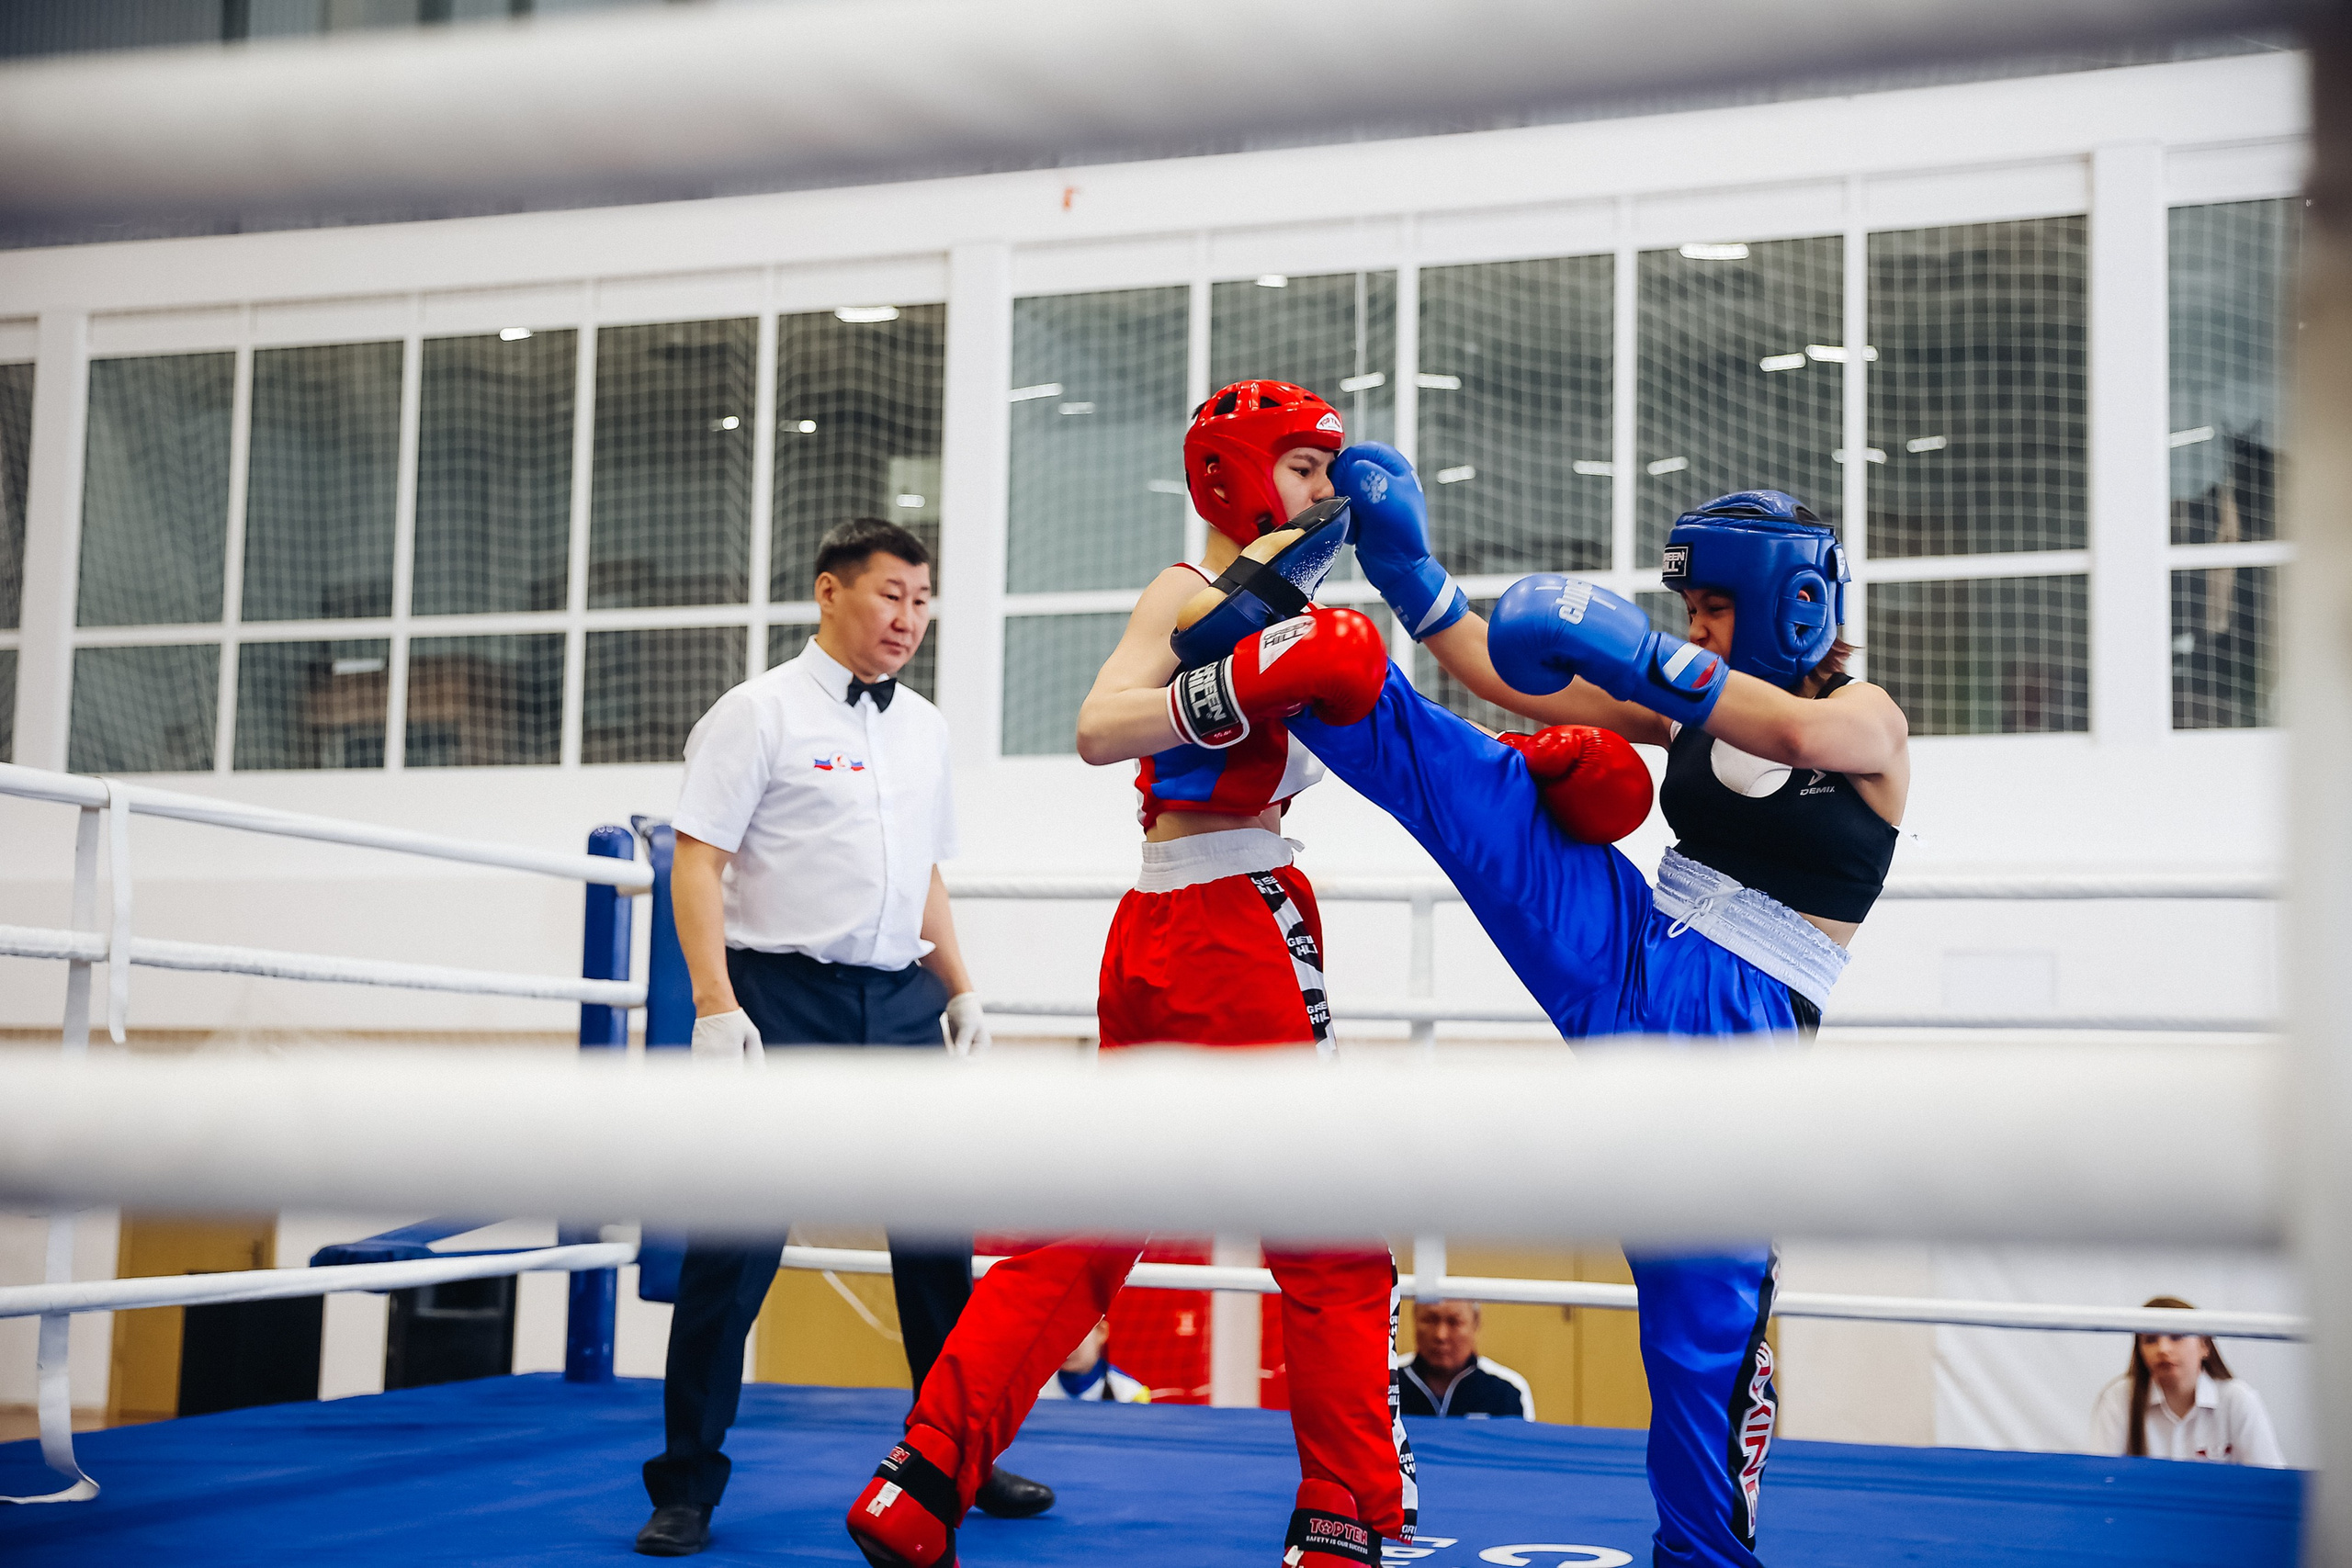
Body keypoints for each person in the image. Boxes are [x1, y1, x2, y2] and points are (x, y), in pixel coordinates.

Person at [1285, 447, 1909, 1568]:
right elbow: (1508, 671)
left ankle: (1704, 1559)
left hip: (1739, 1020)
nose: (1699, 625)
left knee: (1696, 1333)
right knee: (1483, 792)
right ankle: (1293, 661)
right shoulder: (1692, 705)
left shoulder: (1867, 721)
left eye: (1715, 606)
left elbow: (1801, 737)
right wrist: (1414, 578)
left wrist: (1645, 649)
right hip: (1634, 936)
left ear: (1793, 607)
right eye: (1689, 609)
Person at [844, 382, 1412, 1568]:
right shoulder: (1195, 594)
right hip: (1233, 927)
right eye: (1305, 468)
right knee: (1331, 1234)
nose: (1327, 492)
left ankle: (922, 1475)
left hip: (1152, 934)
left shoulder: (1294, 613)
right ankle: (1347, 1517)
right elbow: (1101, 726)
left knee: (1086, 1221)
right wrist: (1237, 682)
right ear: (1238, 474)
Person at [636, 518, 1052, 1557]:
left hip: (900, 999)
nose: (908, 619)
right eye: (889, 597)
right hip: (783, 998)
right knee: (732, 1252)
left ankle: (959, 1456)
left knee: (936, 1246)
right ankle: (685, 1486)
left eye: (922, 601)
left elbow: (923, 874)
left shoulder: (927, 729)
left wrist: (960, 990)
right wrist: (715, 1002)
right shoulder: (755, 713)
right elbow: (697, 862)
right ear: (830, 594)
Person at [2090, 1297, 2286, 1465]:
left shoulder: (2238, 1399)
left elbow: (2271, 1486)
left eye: (2176, 1336)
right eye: (2150, 1340)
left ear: (2204, 1345)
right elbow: (2099, 1482)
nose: (2163, 1349)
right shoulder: (2118, 1398)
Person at [1393, 1301, 1534, 1420]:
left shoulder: (1507, 1390)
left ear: (1476, 1324)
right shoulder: (1386, 1381)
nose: (1440, 1335)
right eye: (1430, 1320)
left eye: (1454, 1322)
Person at [1036, 1318, 1152, 1404]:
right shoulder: (1033, 1391)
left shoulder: (1130, 1395)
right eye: (1057, 1333)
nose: (1065, 1345)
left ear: (1102, 1332)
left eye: (1076, 1333)